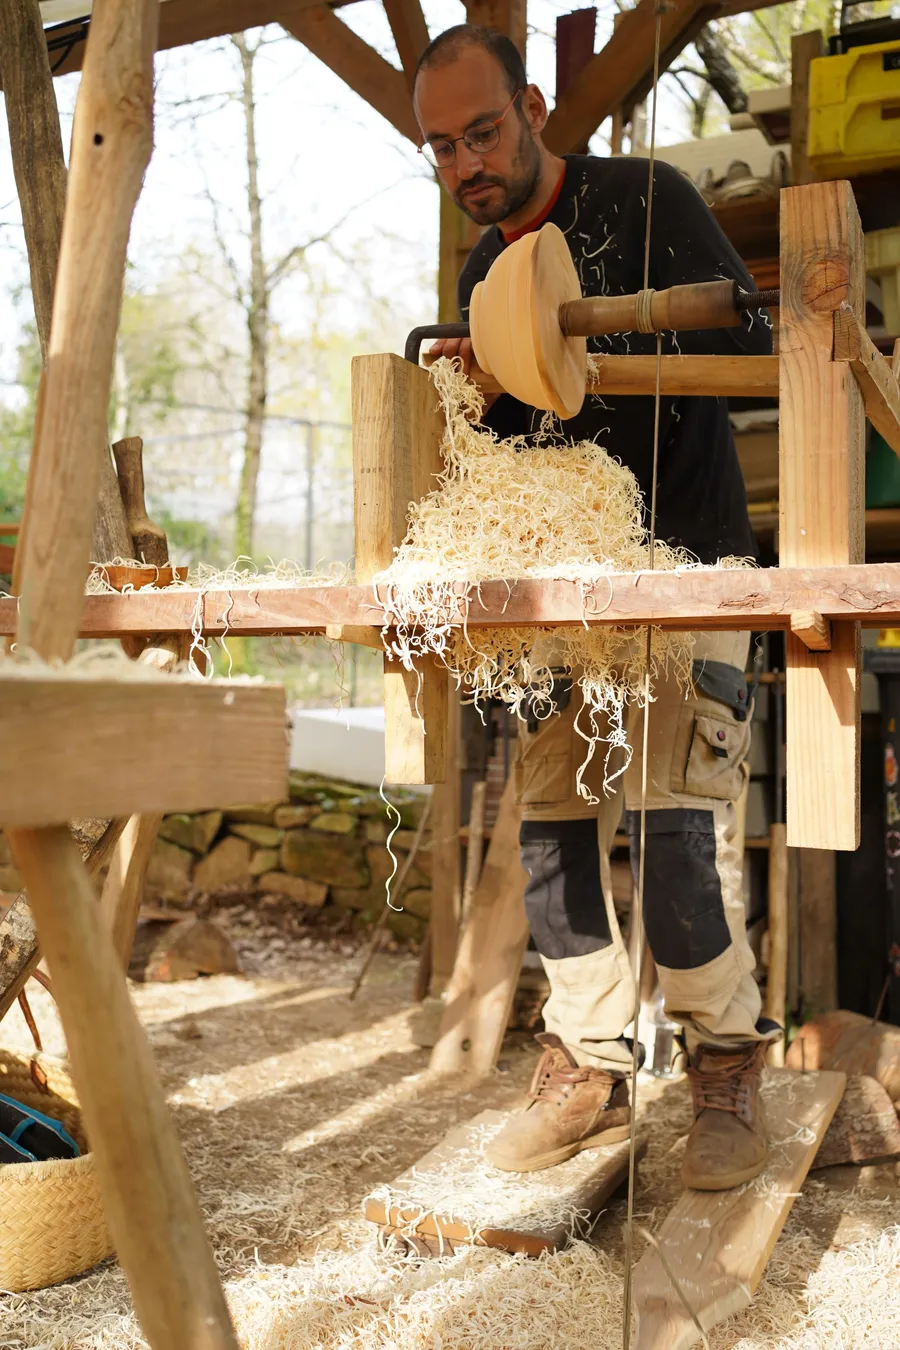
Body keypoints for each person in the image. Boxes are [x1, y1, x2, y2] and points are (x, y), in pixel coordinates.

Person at [413, 24, 780, 1191]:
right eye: (440, 147)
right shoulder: (484, 274)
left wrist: (615, 330)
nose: (466, 162)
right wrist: (475, 388)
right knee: (552, 826)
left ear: (530, 109)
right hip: (569, 583)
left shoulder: (650, 197)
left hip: (690, 566)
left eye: (481, 131)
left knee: (673, 830)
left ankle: (724, 1060)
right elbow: (524, 449)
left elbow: (753, 329)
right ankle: (590, 1064)